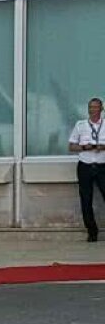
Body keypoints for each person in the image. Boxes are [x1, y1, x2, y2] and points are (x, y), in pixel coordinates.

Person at [70, 97, 105, 242]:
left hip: (103, 166)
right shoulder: (81, 125)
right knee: (86, 199)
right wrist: (85, 147)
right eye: (91, 107)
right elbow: (71, 146)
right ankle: (92, 232)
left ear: (101, 109)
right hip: (85, 165)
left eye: (96, 107)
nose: (93, 110)